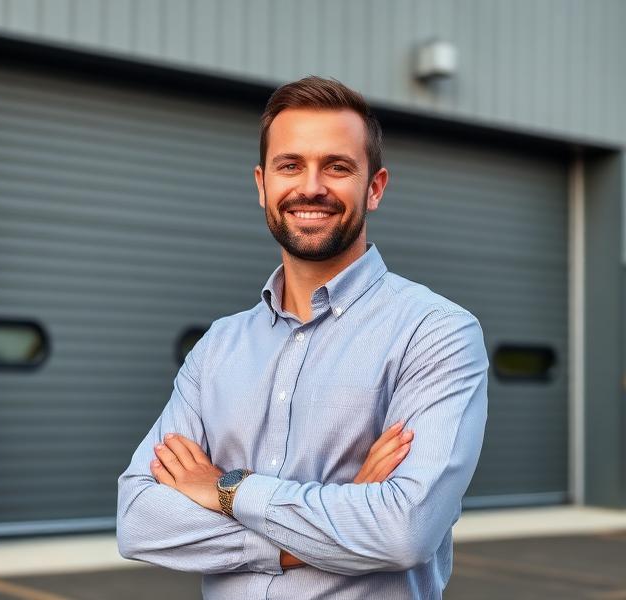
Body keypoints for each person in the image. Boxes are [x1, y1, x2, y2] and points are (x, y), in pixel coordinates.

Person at [117, 76, 488, 599]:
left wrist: (226, 490)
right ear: (262, 184)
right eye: (290, 165)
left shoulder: (436, 332)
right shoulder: (218, 347)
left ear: (375, 187)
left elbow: (404, 531)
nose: (310, 186)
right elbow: (137, 519)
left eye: (337, 167)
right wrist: (326, 524)